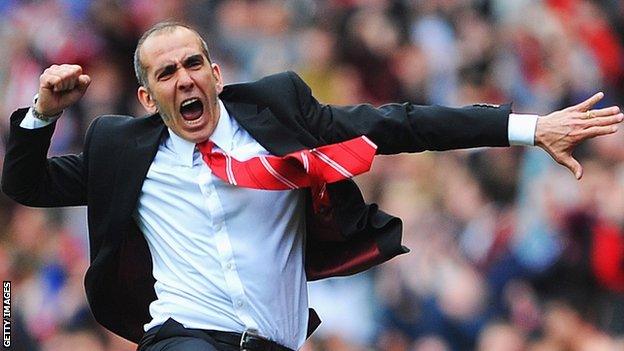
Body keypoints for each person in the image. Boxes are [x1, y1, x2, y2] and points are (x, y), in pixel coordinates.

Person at [2, 21, 622, 351]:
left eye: (194, 64)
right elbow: (26, 182)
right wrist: (44, 113)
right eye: (167, 73)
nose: (185, 79)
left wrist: (528, 126)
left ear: (216, 74)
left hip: (275, 341)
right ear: (147, 96)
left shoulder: (282, 116)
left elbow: (400, 124)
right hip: (181, 338)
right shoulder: (122, 152)